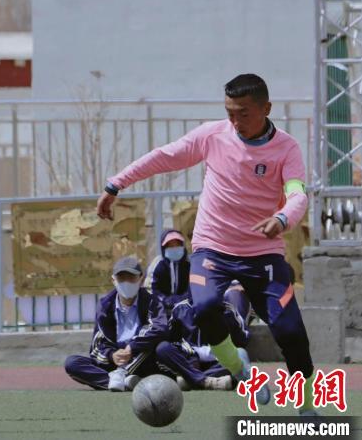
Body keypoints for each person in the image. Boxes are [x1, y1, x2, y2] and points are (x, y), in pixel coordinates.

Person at [97, 74, 317, 416]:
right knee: (204, 306)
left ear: (266, 109)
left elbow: (297, 194)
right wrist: (115, 184)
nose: (235, 121)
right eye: (230, 113)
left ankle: (307, 409)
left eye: (243, 113)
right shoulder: (212, 136)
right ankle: (239, 369)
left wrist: (283, 218)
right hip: (213, 248)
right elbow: (164, 156)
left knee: (291, 333)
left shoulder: (287, 148)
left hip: (263, 253)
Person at [64, 256, 168, 392]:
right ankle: (123, 382)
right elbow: (97, 346)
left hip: (142, 360)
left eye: (131, 278)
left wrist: (132, 347)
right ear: (113, 280)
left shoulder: (152, 302)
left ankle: (121, 377)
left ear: (141, 279)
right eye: (121, 278)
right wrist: (112, 355)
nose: (126, 282)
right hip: (115, 362)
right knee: (72, 363)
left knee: (154, 344)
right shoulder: (105, 305)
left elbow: (159, 329)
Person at [156, 282, 251, 391]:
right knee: (162, 348)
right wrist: (190, 353)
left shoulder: (227, 310)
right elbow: (172, 340)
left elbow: (243, 340)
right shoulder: (179, 309)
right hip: (190, 362)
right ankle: (207, 381)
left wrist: (228, 322)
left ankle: (191, 380)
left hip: (218, 361)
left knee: (240, 357)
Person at [144, 229, 190, 311]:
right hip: (160, 308)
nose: (174, 248)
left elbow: (194, 287)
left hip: (185, 307)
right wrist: (164, 299)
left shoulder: (190, 264)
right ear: (164, 248)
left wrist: (182, 299)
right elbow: (150, 288)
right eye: (170, 246)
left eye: (178, 245)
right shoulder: (157, 264)